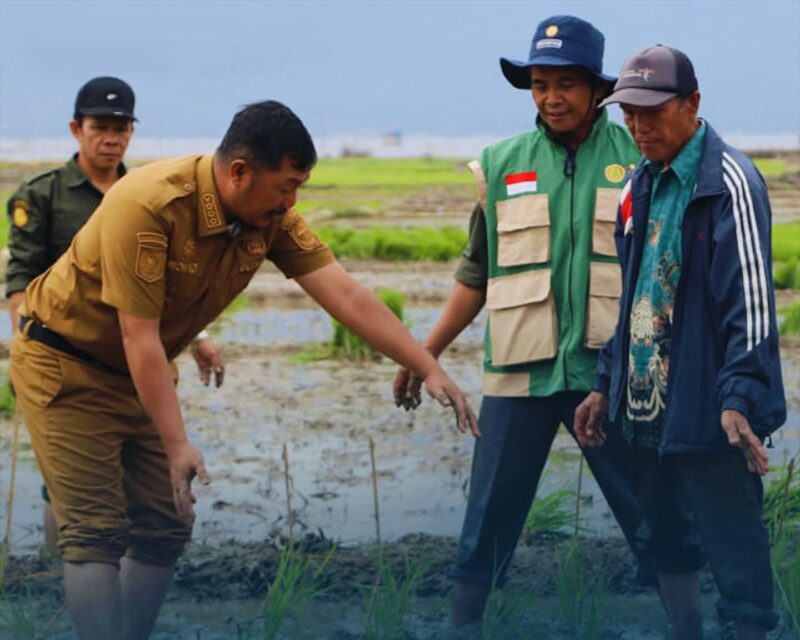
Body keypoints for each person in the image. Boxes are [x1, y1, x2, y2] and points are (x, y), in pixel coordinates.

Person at [10, 99, 478, 640]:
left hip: (138, 372)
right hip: (65, 364)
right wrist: (177, 443)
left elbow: (345, 293)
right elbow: (138, 335)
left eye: (299, 187)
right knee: (95, 533)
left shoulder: (269, 217)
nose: (292, 201)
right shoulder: (148, 205)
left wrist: (427, 365)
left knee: (165, 525)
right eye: (286, 186)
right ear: (239, 172)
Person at [393, 15, 646, 627]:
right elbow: (475, 276)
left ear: (597, 88)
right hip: (518, 375)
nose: (551, 98)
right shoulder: (501, 165)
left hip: (609, 374)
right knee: (488, 519)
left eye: (565, 84)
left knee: (653, 512)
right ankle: (462, 628)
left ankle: (692, 624)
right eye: (539, 84)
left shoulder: (638, 160)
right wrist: (422, 355)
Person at [575, 45, 786, 639]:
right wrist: (606, 383)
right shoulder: (637, 185)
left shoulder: (728, 182)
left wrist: (739, 397)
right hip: (646, 405)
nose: (639, 127)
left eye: (652, 112)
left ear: (691, 103)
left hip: (709, 404)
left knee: (733, 543)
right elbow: (635, 298)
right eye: (629, 114)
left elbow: (751, 304)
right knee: (664, 537)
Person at [5, 77, 225, 555]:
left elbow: (171, 281)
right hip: (68, 352)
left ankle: (117, 575)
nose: (111, 138)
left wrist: (199, 337)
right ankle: (59, 570)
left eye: (120, 129)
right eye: (100, 127)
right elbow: (21, 278)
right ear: (76, 129)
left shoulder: (146, 193)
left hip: (135, 352)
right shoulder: (43, 195)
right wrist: (28, 346)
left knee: (140, 486)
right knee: (67, 487)